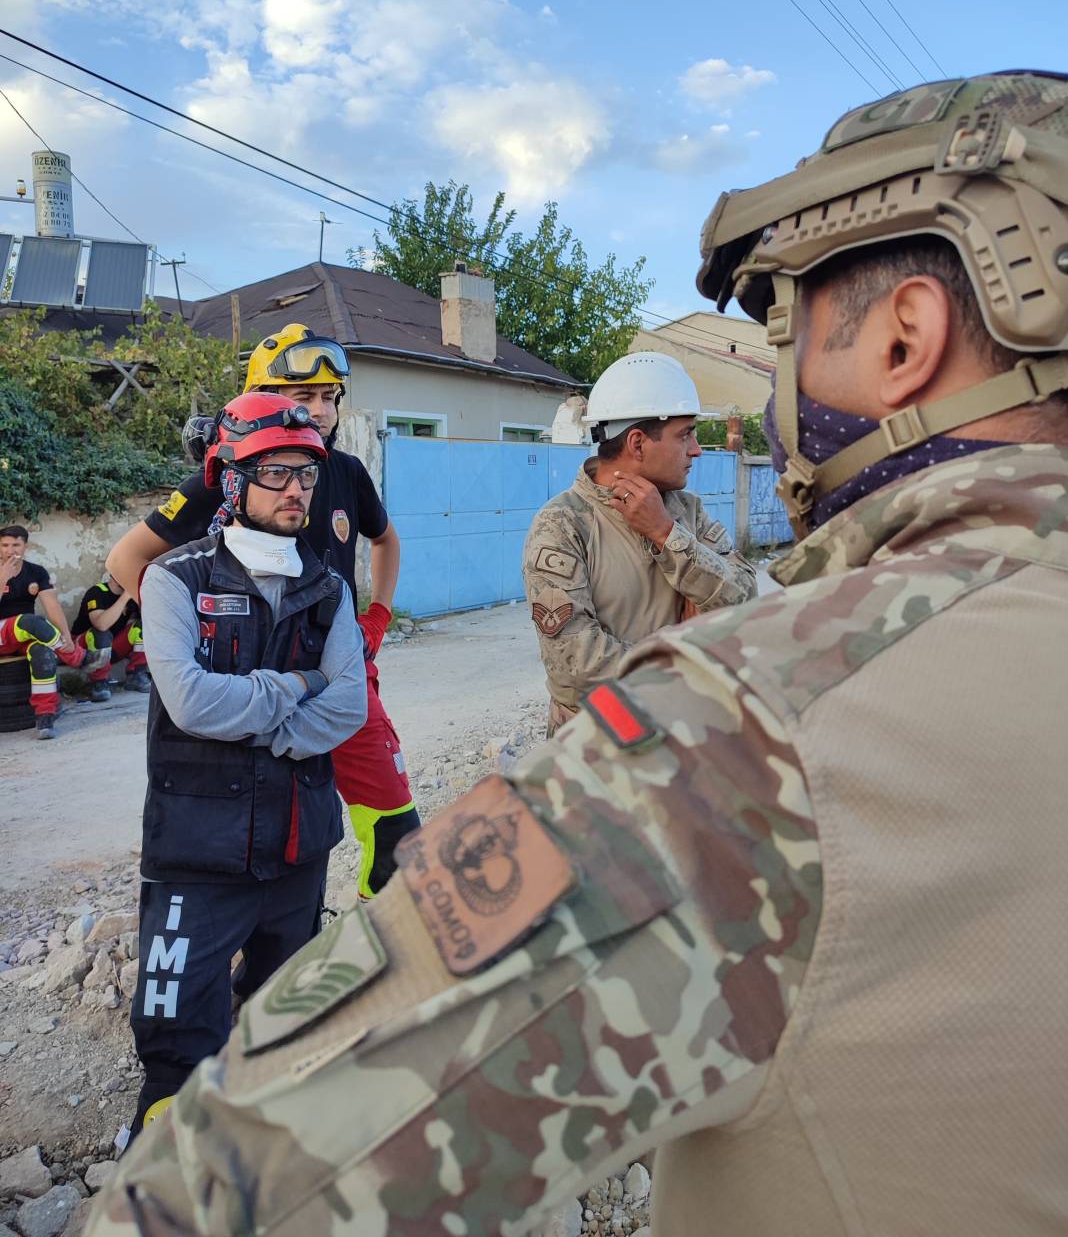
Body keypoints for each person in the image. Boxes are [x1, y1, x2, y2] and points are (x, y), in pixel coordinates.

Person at [89, 69, 1068, 1237]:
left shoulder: (739, 735)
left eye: (791, 327)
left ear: (908, 335)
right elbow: (597, 653)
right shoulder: (562, 538)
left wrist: (690, 613)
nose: (756, 408)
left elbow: (238, 1180)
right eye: (681, 428)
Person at [106, 324, 419, 899]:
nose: (320, 411)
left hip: (336, 677)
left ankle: (383, 954)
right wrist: (189, 631)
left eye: (330, 397)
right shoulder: (224, 476)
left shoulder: (345, 471)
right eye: (305, 398)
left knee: (397, 831)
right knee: (258, 841)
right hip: (246, 679)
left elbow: (386, 541)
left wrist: (378, 614)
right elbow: (127, 559)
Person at [127, 391, 365, 1139]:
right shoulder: (175, 580)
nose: (297, 490)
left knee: (281, 1004)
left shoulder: (329, 586)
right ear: (231, 481)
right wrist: (294, 690)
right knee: (176, 1041)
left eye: (305, 474)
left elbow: (349, 706)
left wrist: (259, 722)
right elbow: (192, 704)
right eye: (277, 474)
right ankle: (173, 1159)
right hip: (196, 852)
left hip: (298, 843)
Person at [523, 351, 756, 733]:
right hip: (597, 749)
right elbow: (577, 666)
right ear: (637, 443)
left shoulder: (686, 513)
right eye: (685, 435)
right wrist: (684, 665)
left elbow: (744, 601)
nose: (696, 449)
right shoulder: (562, 525)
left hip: (685, 737)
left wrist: (667, 535)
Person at [0, 524, 106, 740]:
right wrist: (2, 578)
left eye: (15, 545)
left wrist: (65, 636)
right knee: (31, 622)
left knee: (43, 652)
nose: (10, 550)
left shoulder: (36, 572)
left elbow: (53, 607)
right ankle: (81, 659)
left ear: (25, 546)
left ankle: (44, 717)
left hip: (23, 633)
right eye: (4, 545)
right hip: (5, 631)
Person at [70, 572, 149, 702]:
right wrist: (125, 597)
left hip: (111, 648)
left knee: (142, 627)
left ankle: (136, 674)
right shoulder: (97, 592)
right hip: (84, 649)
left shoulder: (132, 596)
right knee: (100, 633)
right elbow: (101, 625)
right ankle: (99, 682)